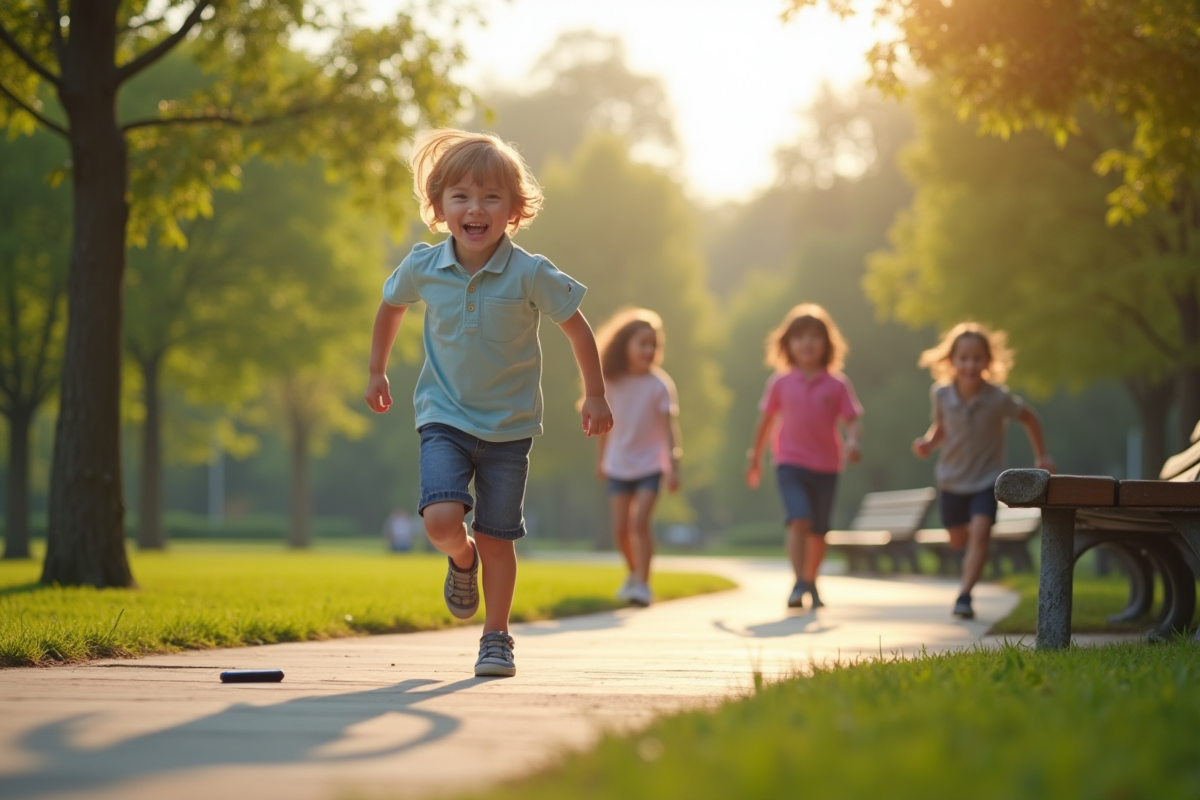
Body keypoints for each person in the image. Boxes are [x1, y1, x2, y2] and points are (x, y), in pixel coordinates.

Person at [364, 129, 613, 677]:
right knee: (441, 519)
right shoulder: (425, 266)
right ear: (438, 207)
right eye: (461, 196)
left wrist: (594, 393)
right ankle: (460, 560)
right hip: (443, 417)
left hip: (509, 428)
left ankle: (496, 637)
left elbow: (577, 328)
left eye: (491, 197)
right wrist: (377, 369)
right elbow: (389, 306)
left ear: (515, 210)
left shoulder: (530, 273)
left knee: (499, 538)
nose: (475, 209)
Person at [911, 322, 1054, 620]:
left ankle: (965, 595)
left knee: (979, 535)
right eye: (963, 358)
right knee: (957, 539)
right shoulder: (940, 394)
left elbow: (1031, 418)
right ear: (952, 361)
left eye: (977, 358)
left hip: (987, 479)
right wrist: (928, 443)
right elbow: (941, 428)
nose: (970, 365)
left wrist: (1042, 456)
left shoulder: (998, 398)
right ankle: (966, 573)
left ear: (988, 363)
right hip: (951, 478)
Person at [746, 304, 862, 610]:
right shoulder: (780, 383)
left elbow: (852, 418)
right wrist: (754, 457)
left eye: (814, 337)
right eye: (799, 338)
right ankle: (799, 582)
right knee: (798, 519)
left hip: (826, 466)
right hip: (789, 462)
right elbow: (766, 421)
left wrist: (853, 442)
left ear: (826, 343)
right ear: (787, 345)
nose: (807, 343)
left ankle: (812, 580)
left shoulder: (837, 384)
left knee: (818, 531)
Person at [593, 308, 682, 608]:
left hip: (651, 464)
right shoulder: (611, 381)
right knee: (620, 528)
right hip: (619, 463)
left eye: (653, 345)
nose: (649, 350)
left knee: (640, 522)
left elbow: (670, 429)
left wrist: (674, 465)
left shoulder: (660, 385)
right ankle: (632, 574)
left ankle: (643, 584)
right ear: (624, 346)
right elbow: (604, 426)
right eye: (642, 343)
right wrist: (602, 460)